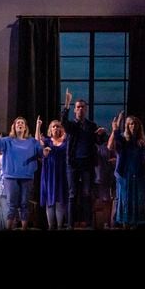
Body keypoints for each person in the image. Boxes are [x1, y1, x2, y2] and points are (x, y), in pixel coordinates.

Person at [0, 115, 43, 230]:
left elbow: (39, 147)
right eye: (18, 123)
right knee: (11, 204)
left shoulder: (31, 141)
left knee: (24, 204)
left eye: (22, 123)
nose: (20, 124)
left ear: (25, 127)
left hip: (27, 176)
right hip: (11, 176)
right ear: (14, 126)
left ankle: (23, 229)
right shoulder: (8, 140)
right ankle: (9, 228)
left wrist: (38, 126)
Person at [61, 88, 105, 228]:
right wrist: (67, 104)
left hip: (87, 164)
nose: (80, 109)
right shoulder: (72, 125)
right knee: (72, 194)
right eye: (78, 107)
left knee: (87, 194)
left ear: (85, 110)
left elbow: (99, 141)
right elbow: (64, 122)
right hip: (73, 164)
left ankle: (89, 223)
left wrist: (102, 133)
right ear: (75, 110)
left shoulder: (91, 125)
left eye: (82, 107)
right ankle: (70, 224)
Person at [108, 112, 145, 229]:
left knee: (138, 199)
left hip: (139, 173)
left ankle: (136, 224)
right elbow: (113, 144)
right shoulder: (123, 138)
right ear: (127, 126)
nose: (133, 126)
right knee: (125, 199)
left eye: (135, 124)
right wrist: (116, 128)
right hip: (125, 174)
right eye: (131, 124)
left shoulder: (143, 140)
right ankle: (125, 224)